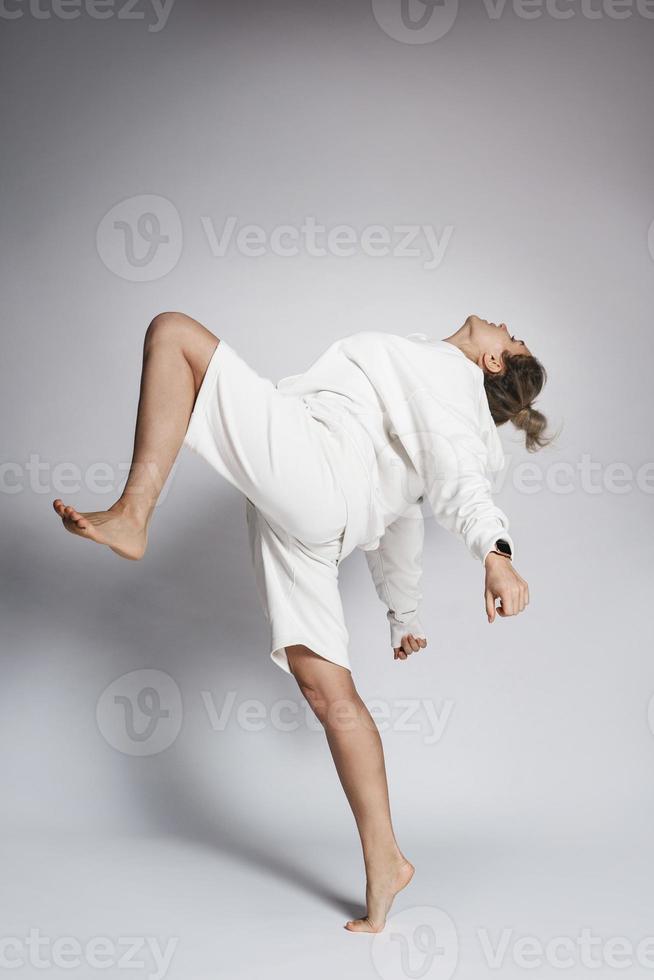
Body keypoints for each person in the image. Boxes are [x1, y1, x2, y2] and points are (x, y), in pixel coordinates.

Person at [52, 312, 549, 932]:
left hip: (319, 471)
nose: (508, 325)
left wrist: (496, 555)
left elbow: (462, 485)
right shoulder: (430, 376)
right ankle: (386, 861)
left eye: (515, 337)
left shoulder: (450, 382)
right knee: (328, 691)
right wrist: (404, 612)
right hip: (315, 516)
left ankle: (134, 511)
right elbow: (403, 510)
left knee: (174, 334)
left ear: (493, 363)